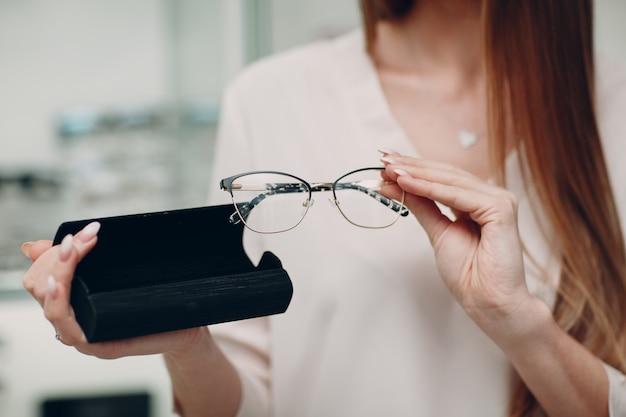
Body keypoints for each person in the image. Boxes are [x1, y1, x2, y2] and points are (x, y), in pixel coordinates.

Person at [20, 0, 626, 416]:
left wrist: (518, 324)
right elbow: (246, 404)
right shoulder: (271, 99)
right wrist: (190, 342)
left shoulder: (613, 106)